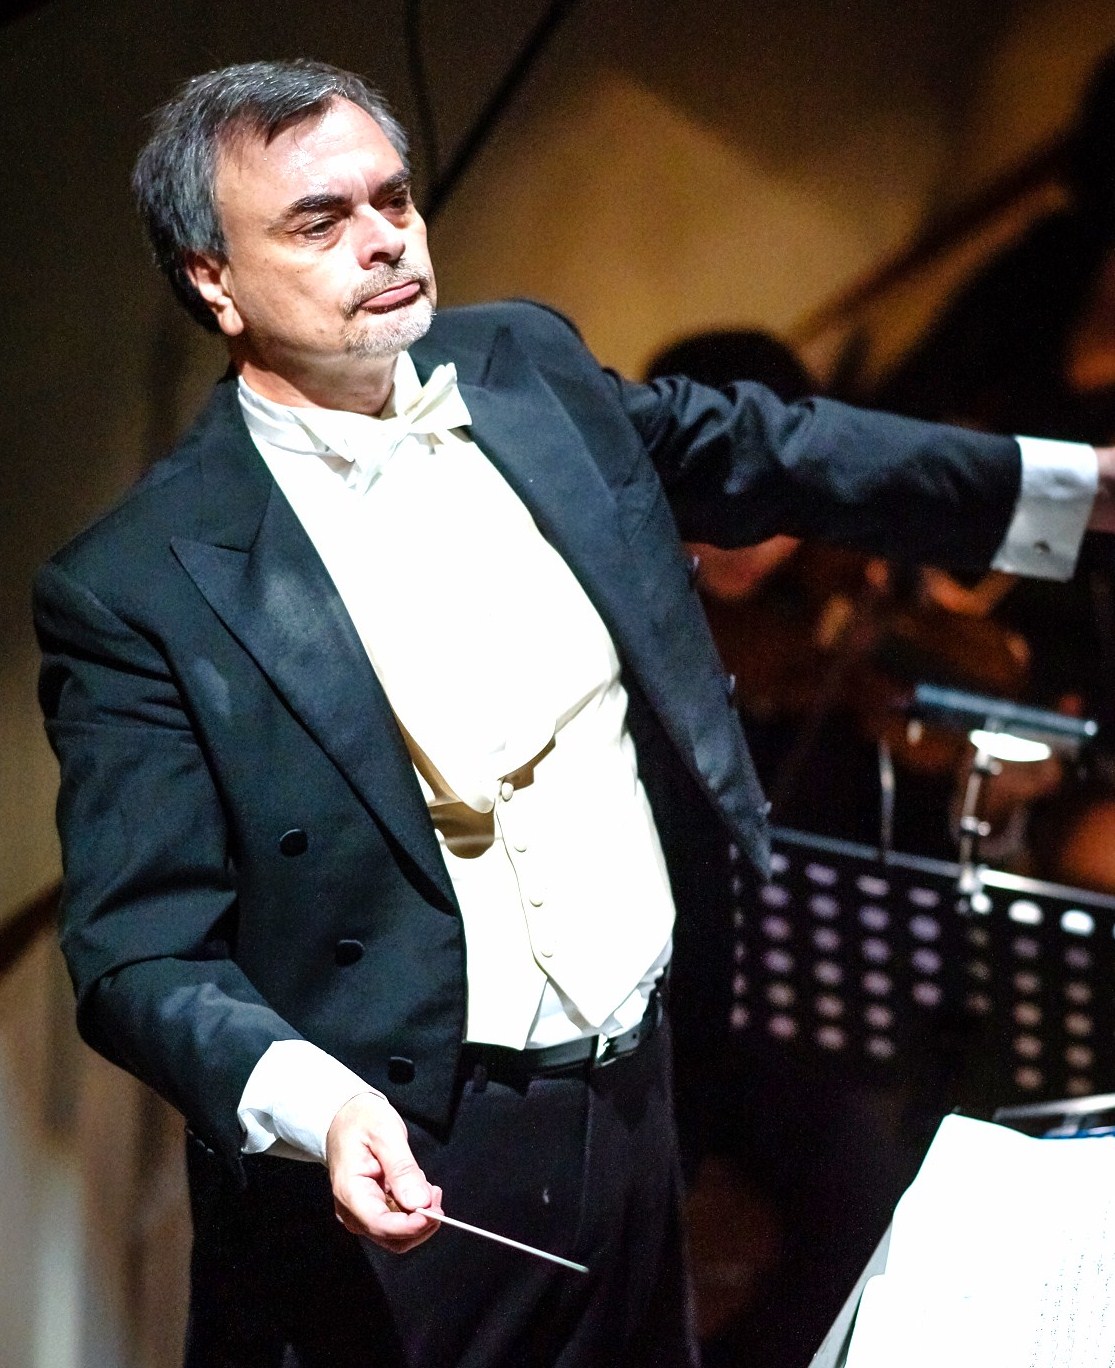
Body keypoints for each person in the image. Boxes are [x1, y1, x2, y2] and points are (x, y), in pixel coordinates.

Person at [32, 58, 1115, 1368]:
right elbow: (140, 951)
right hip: (407, 1151)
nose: (384, 239)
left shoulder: (525, 366)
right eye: (320, 221)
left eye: (394, 199)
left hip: (643, 1095)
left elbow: (767, 449)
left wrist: (1073, 492)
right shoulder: (137, 582)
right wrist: (318, 1108)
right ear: (213, 280)